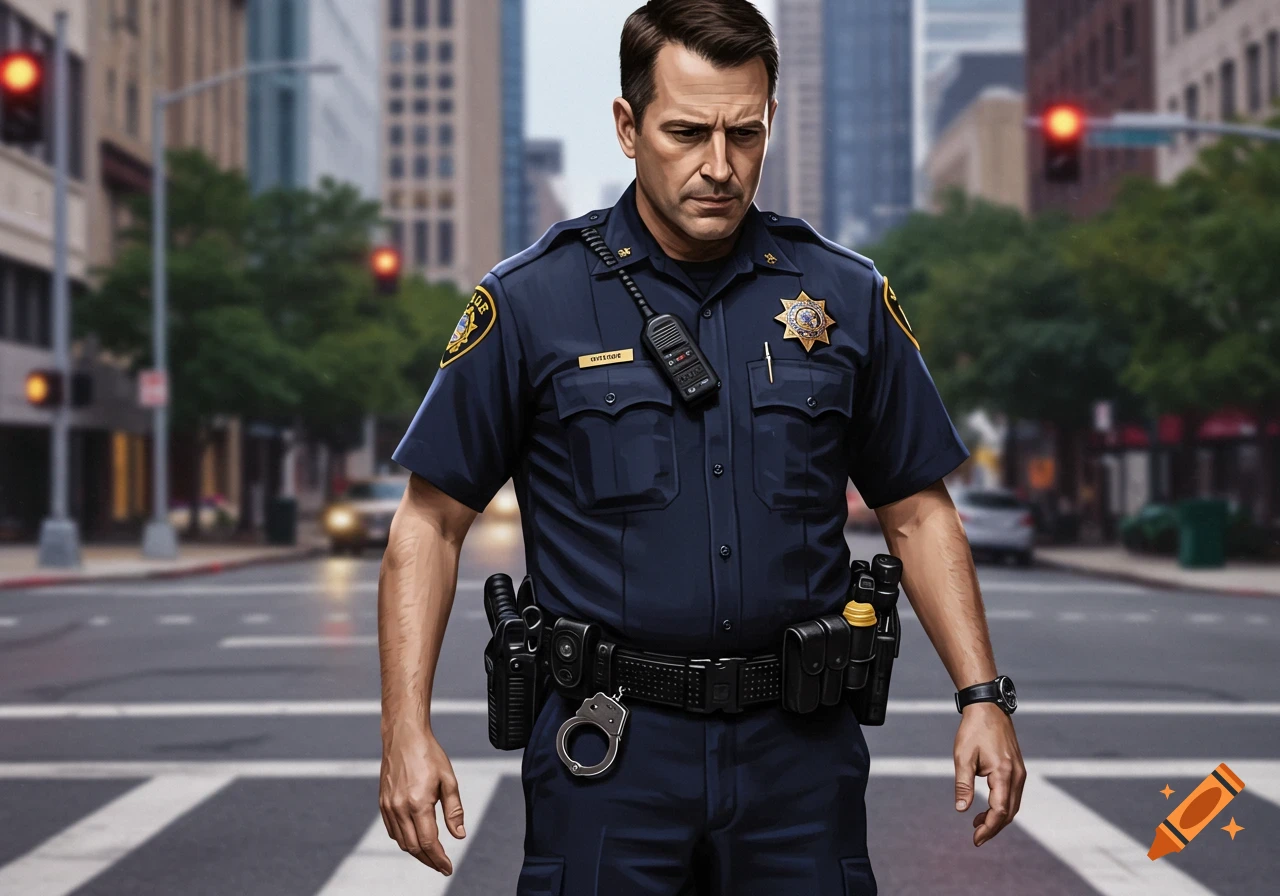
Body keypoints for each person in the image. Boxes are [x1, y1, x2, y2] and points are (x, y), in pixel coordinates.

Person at [377, 2, 1025, 893]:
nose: (719, 167)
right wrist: (404, 729)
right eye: (686, 132)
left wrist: (982, 698)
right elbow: (430, 523)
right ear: (627, 126)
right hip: (609, 755)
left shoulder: (845, 294)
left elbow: (916, 512)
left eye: (744, 134)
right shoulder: (532, 302)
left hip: (799, 759)